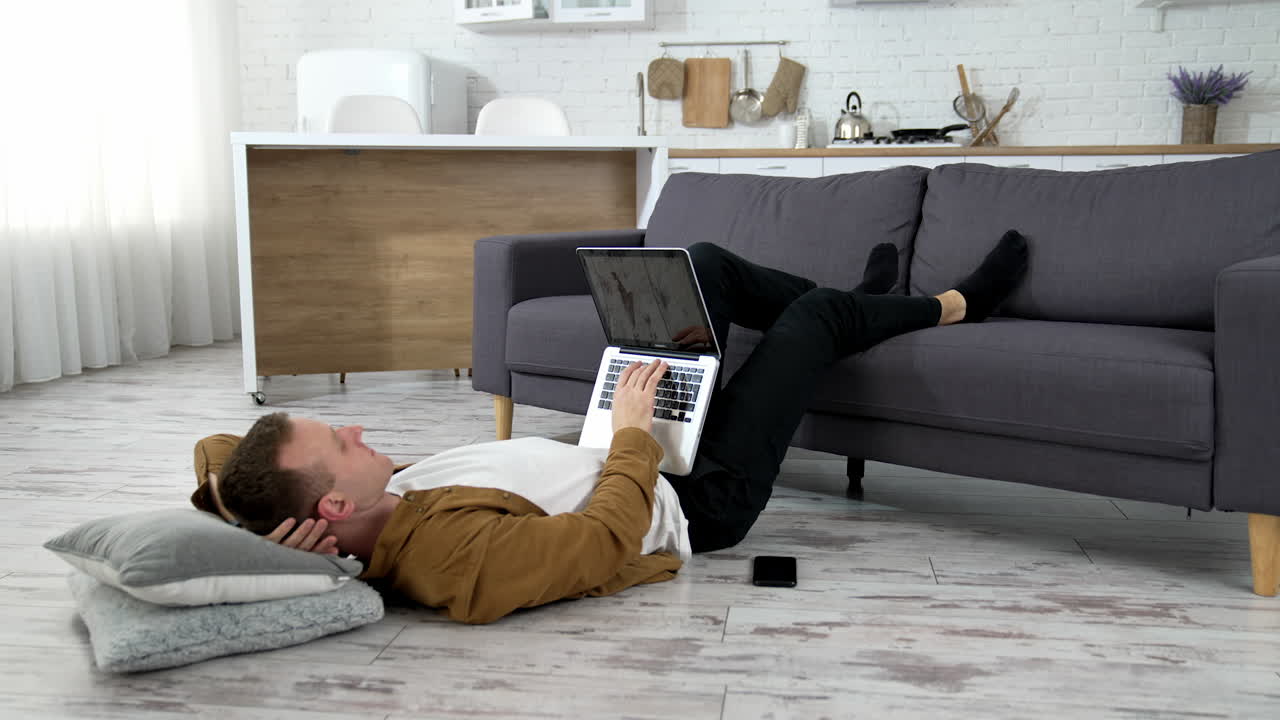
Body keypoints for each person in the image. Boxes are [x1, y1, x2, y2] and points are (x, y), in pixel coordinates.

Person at [191, 232, 1029, 623]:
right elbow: (594, 549)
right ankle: (951, 305)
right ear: (332, 507)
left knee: (700, 263)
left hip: (634, 445)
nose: (359, 429)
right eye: (341, 444)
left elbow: (223, 459)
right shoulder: (448, 563)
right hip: (693, 498)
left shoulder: (377, 499)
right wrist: (632, 434)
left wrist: (256, 534)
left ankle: (858, 302)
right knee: (808, 319)